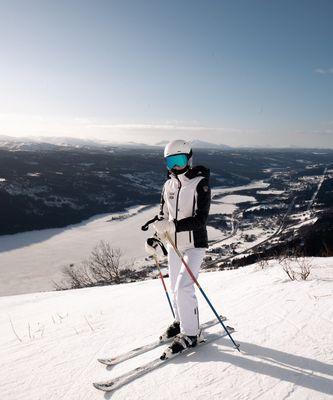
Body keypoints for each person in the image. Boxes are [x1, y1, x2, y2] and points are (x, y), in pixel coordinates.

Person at [150, 139, 211, 354]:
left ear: (189, 159)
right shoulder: (168, 186)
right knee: (175, 287)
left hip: (195, 244)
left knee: (184, 286)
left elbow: (201, 219)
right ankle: (180, 321)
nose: (175, 167)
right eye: (170, 162)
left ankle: (192, 334)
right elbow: (163, 215)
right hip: (174, 245)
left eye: (179, 160)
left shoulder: (200, 184)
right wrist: (157, 235)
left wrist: (172, 225)